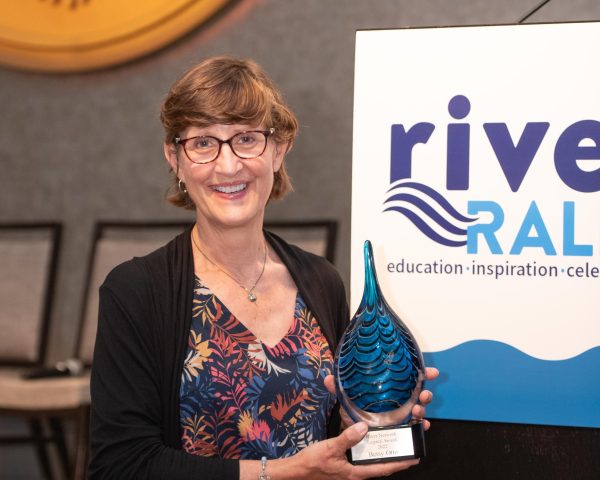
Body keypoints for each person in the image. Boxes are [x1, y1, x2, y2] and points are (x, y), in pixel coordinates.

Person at [89, 56, 438, 479]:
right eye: (203, 143)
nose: (229, 165)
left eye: (246, 139)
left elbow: (323, 443)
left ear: (278, 149)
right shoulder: (136, 291)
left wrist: (358, 426)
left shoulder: (321, 281)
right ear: (175, 158)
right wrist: (282, 473)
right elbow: (121, 466)